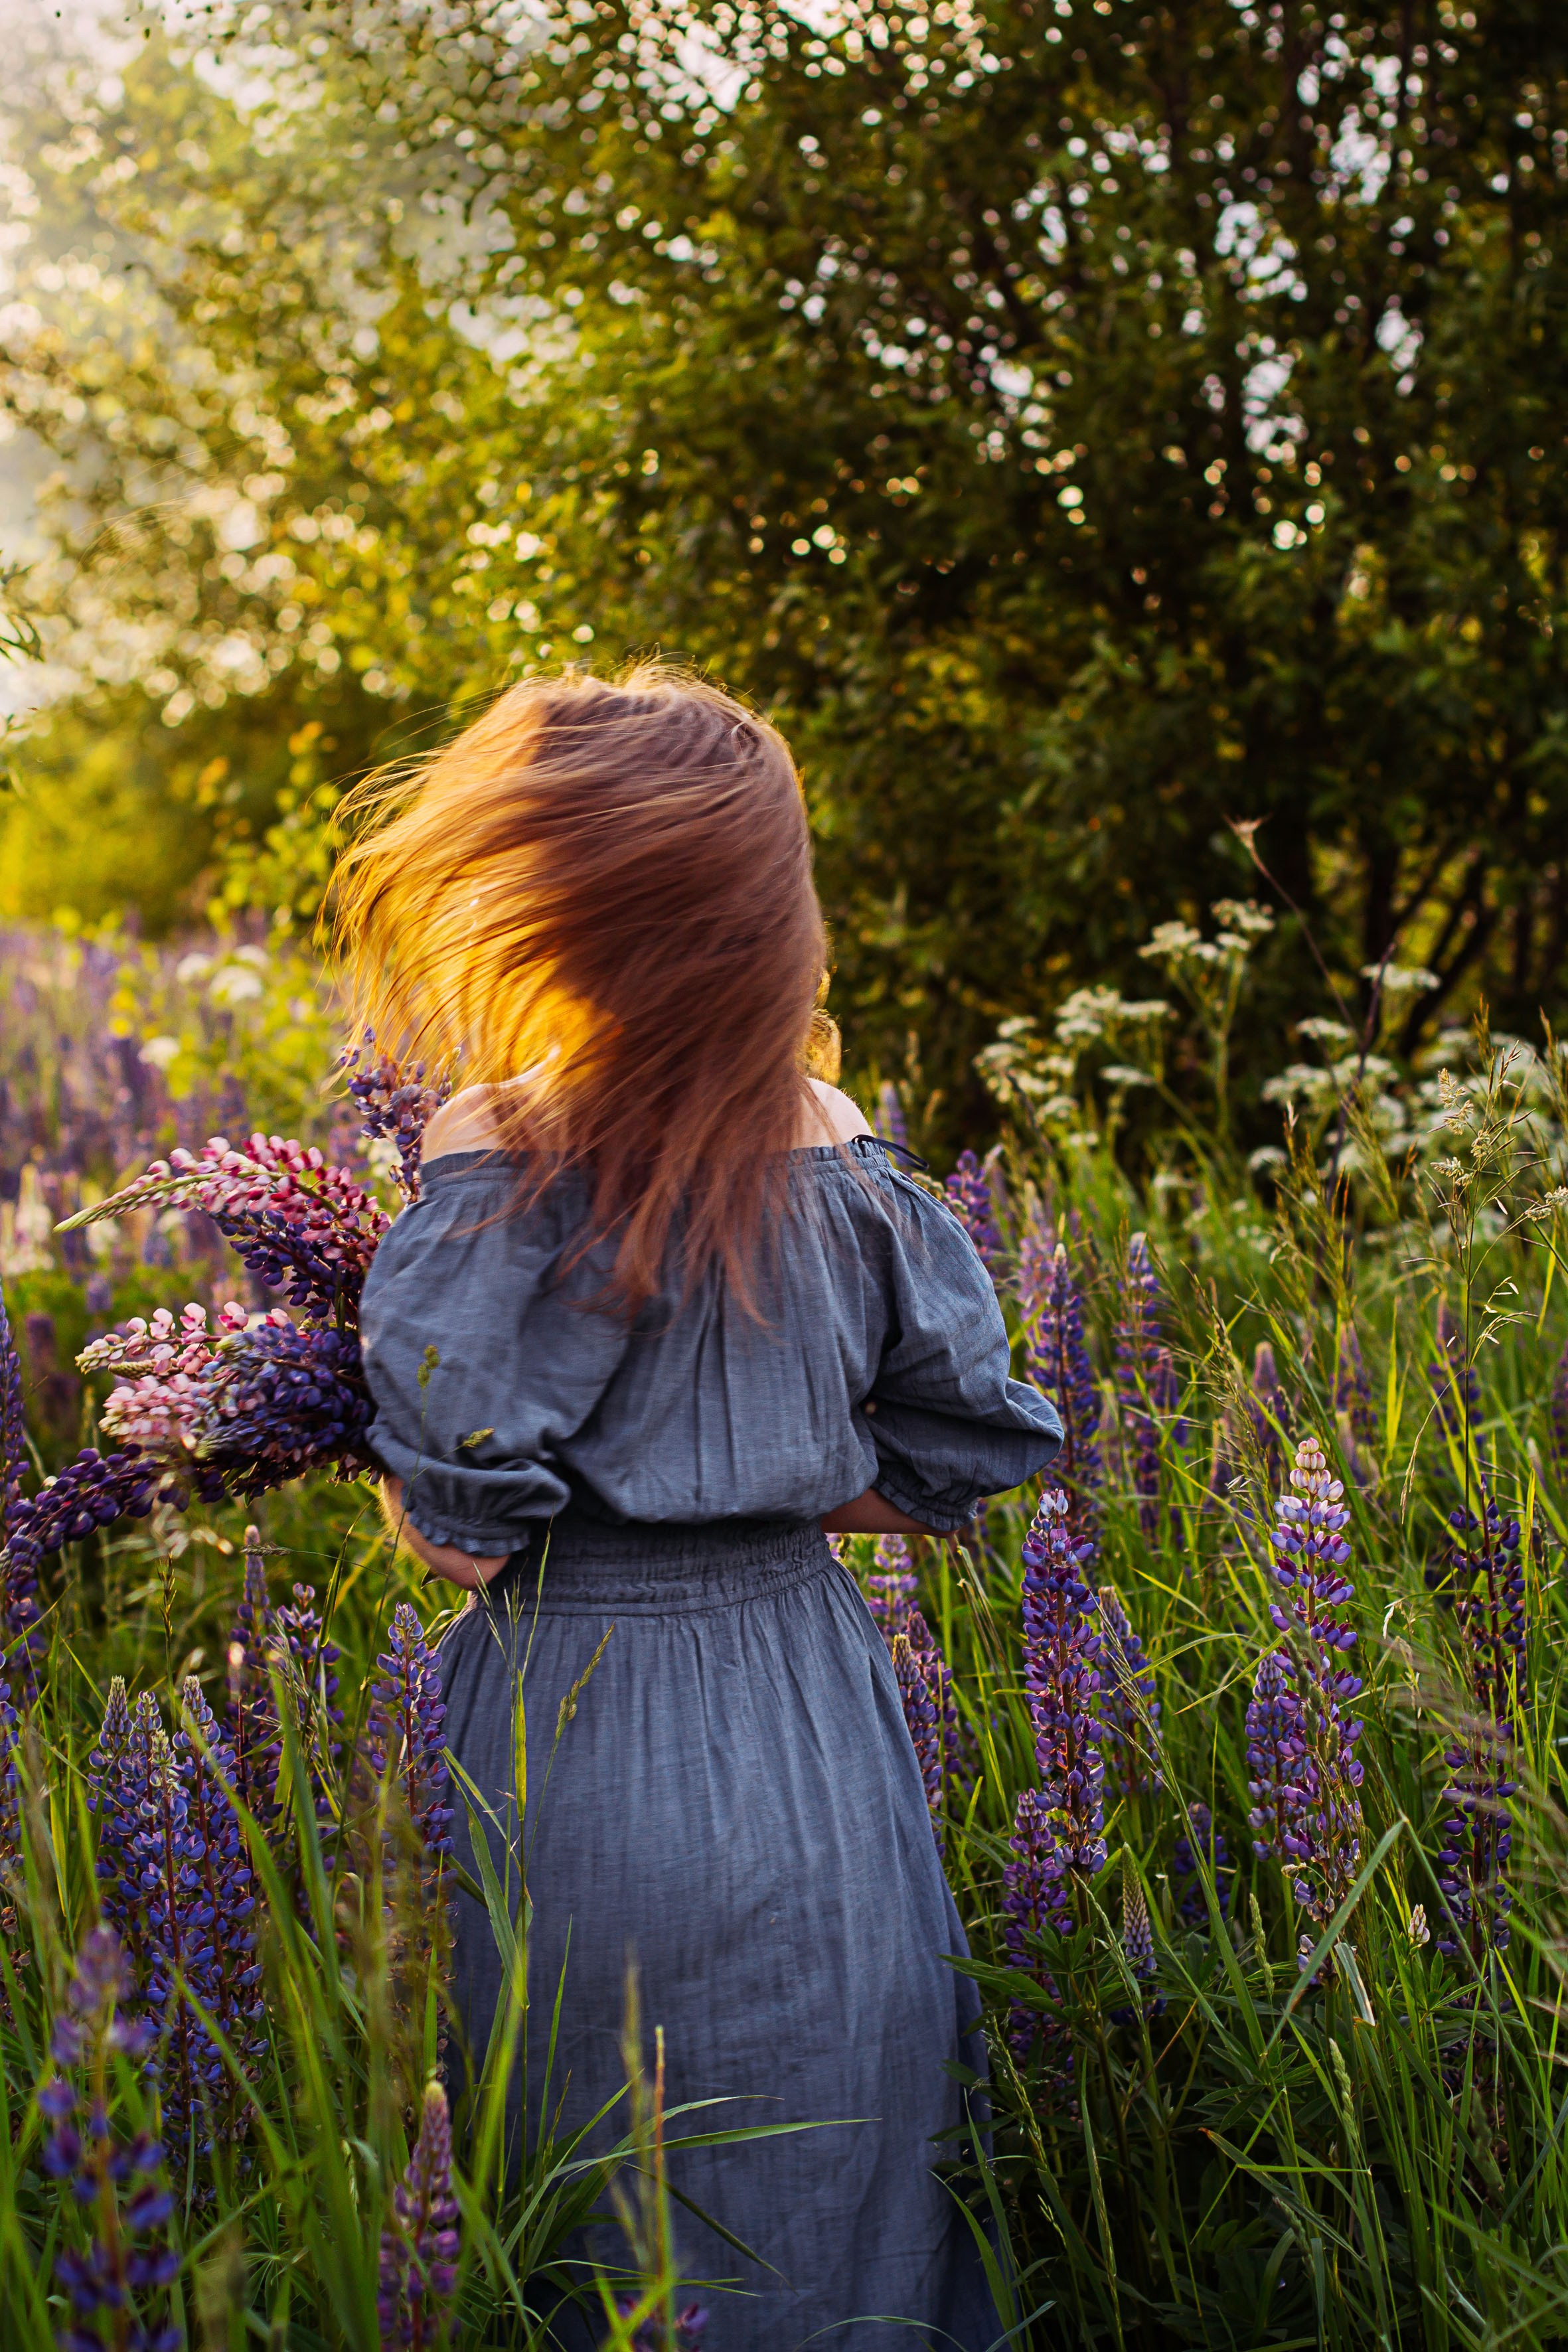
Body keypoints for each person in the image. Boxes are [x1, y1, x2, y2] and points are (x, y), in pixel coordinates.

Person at [343, 662, 1061, 2349]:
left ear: (553, 907)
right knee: (845, 2184)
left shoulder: (502, 1139)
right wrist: (769, 1489)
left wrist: (375, 1433)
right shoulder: (839, 1143)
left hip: (570, 1727)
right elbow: (963, 1452)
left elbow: (460, 1521)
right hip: (817, 1723)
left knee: (588, 2199)